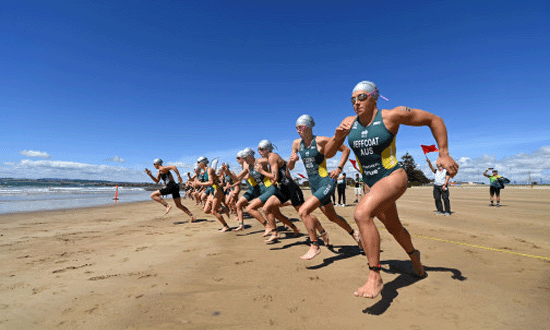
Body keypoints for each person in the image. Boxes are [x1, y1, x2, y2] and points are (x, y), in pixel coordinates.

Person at [325, 80, 459, 299]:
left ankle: (374, 276)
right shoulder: (349, 122)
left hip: (393, 177)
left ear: (374, 97)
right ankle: (415, 258)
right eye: (352, 100)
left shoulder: (392, 116)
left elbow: (434, 120)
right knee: (394, 228)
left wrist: (443, 153)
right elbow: (329, 153)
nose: (356, 103)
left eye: (361, 97)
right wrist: (338, 136)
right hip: (371, 183)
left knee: (361, 213)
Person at [289, 114, 361, 260]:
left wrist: (339, 168)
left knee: (303, 211)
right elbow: (290, 167)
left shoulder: (321, 141)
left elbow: (345, 149)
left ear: (308, 127)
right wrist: (292, 161)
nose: (298, 131)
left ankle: (314, 245)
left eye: (300, 127)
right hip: (314, 185)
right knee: (332, 217)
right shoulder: (296, 144)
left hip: (325, 182)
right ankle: (355, 234)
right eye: (296, 128)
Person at [196, 156, 231, 232]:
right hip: (212, 193)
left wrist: (200, 183)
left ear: (203, 163)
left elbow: (211, 182)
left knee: (214, 211)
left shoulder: (209, 170)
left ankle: (226, 226)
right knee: (206, 210)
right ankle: (223, 209)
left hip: (217, 192)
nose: (197, 164)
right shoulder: (205, 171)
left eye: (198, 162)